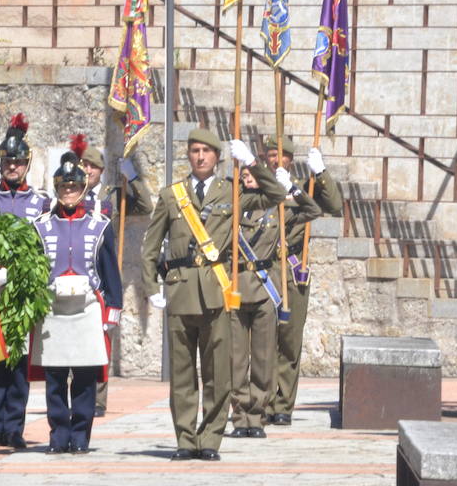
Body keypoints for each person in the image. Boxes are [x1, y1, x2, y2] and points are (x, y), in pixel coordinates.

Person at [140, 128, 284, 461]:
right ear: (188, 155)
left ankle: (210, 439)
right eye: (194, 150)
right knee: (182, 373)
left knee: (219, 372)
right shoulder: (170, 195)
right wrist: (151, 288)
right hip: (180, 291)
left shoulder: (231, 192)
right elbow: (149, 248)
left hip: (217, 291)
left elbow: (275, 194)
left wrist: (252, 162)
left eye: (207, 151)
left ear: (217, 157)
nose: (201, 156)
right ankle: (185, 439)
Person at [32, 145, 122, 454]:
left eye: (74, 186)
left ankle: (81, 435)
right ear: (57, 189)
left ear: (84, 188)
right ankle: (58, 434)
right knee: (55, 376)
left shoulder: (101, 226)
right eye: (64, 187)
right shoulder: (41, 227)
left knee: (85, 376)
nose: (69, 191)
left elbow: (110, 271)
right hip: (53, 308)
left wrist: (113, 309)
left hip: (87, 307)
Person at [0, 113, 51, 449]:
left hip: (23, 289)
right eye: (7, 162)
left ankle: (13, 426)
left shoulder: (41, 202)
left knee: (17, 360)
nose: (12, 167)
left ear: (26, 164)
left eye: (17, 162)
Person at [227, 163, 319, 439]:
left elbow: (313, 211)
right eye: (244, 176)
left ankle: (257, 416)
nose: (248, 179)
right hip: (238, 288)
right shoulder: (233, 205)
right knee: (236, 359)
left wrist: (292, 188)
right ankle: (239, 415)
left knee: (264, 359)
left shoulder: (279, 209)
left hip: (266, 291)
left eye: (253, 175)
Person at [264, 136, 344, 426]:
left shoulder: (303, 187)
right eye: (271, 155)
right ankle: (262, 401)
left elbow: (334, 205)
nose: (276, 161)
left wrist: (319, 173)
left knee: (289, 340)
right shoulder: (255, 183)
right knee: (261, 341)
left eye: (281, 156)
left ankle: (283, 404)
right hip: (261, 269)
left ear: (290, 159)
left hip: (291, 268)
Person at [79, 142, 152, 418]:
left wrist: (132, 178)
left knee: (102, 339)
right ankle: (76, 392)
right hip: (78, 270)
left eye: (93, 167)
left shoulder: (112, 196)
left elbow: (145, 205)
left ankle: (98, 399)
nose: (88, 171)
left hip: (104, 271)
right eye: (84, 165)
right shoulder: (71, 191)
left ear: (101, 171)